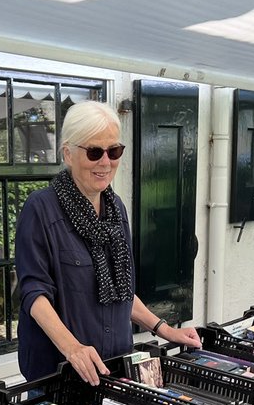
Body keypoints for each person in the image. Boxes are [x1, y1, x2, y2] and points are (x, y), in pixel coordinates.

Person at [15, 101, 201, 385]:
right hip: (61, 375)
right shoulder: (40, 209)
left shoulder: (117, 210)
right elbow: (34, 293)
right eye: (94, 152)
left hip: (115, 366)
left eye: (114, 151)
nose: (106, 162)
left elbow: (122, 292)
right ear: (68, 153)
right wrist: (72, 348)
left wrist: (163, 328)